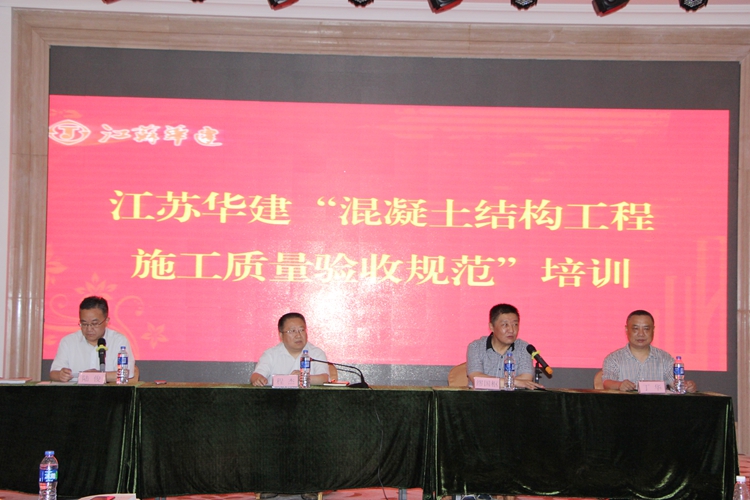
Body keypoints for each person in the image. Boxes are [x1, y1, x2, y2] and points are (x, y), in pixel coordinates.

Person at [602, 309, 697, 392]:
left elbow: (675, 383)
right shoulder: (614, 358)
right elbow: (606, 383)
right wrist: (619, 385)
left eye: (646, 329)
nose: (641, 334)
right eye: (635, 329)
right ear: (626, 329)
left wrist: (686, 386)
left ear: (653, 330)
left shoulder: (664, 358)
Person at [50, 296, 136, 383]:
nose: (89, 329)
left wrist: (96, 376)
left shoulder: (119, 341)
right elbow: (53, 373)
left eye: (94, 324)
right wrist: (61, 375)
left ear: (106, 321)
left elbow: (126, 374)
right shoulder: (68, 342)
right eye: (84, 324)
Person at [466, 303, 543, 390]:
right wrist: (514, 382)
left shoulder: (524, 348)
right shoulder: (476, 347)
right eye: (505, 325)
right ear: (491, 327)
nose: (511, 330)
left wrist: (494, 382)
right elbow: (478, 380)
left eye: (515, 325)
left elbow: (526, 380)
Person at [250, 312, 329, 387]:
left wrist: (303, 378)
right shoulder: (270, 354)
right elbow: (256, 375)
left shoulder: (316, 353)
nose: (298, 335)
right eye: (292, 331)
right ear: (281, 335)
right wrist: (258, 379)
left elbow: (324, 379)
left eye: (301, 330)